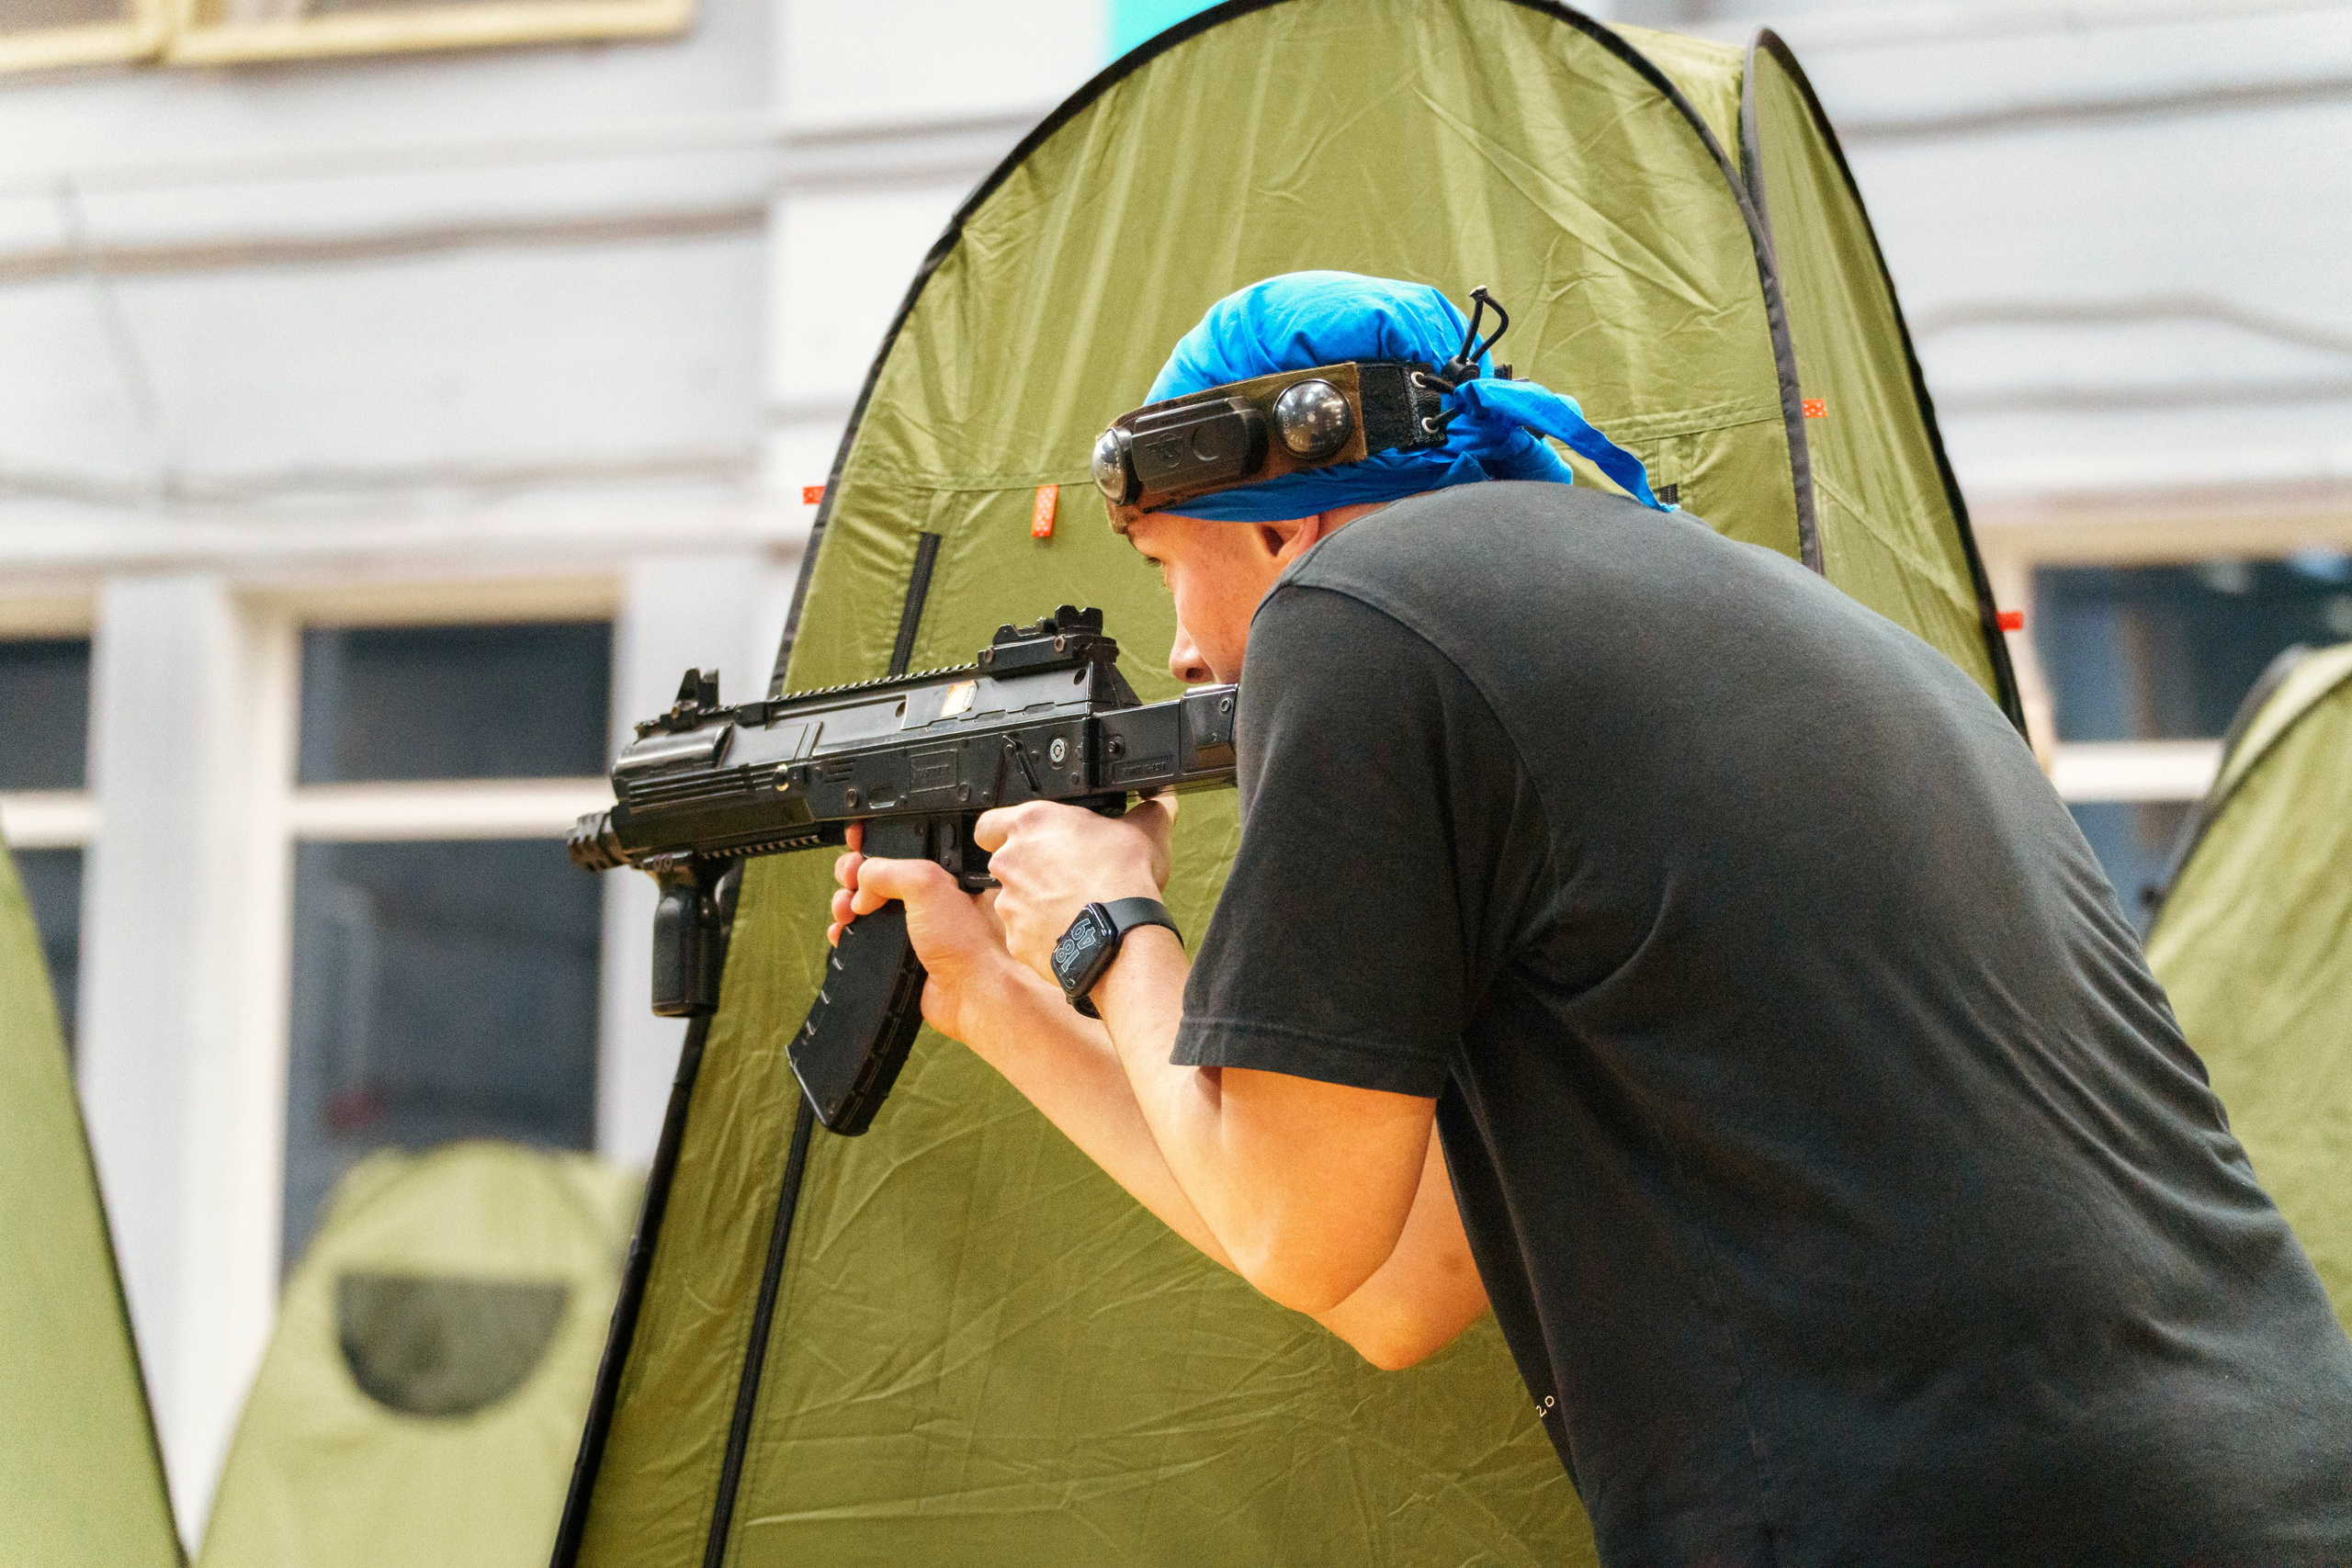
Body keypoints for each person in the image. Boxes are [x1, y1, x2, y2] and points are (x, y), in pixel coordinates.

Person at [830, 272, 2352, 1564]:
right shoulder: (1760, 612)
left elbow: (1296, 1235)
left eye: (1171, 566)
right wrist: (988, 1000)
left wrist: (1110, 930)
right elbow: (1392, 1282)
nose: (1180, 647)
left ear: (1283, 525)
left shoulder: (1354, 621)